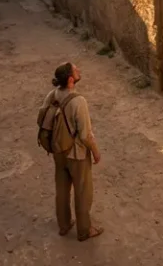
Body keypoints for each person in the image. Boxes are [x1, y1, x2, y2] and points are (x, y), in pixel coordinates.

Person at [39, 62, 103, 241]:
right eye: (76, 70)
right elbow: (85, 135)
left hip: (58, 152)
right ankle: (84, 230)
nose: (79, 70)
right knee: (83, 192)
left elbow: (43, 119)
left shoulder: (52, 95)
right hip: (77, 155)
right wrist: (96, 152)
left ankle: (64, 225)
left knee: (62, 189)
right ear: (70, 79)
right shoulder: (78, 101)